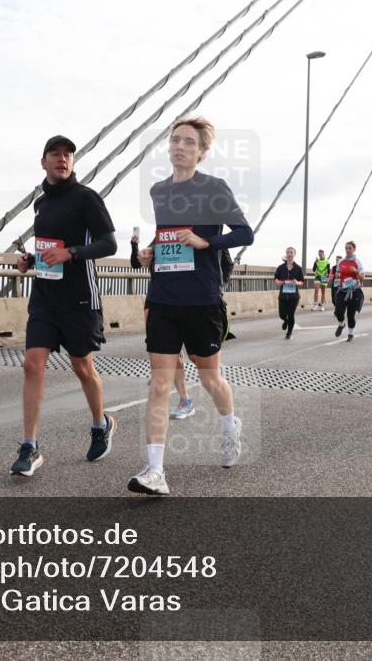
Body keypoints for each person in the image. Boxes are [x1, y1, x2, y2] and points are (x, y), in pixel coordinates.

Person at [130, 116, 254, 495]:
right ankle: (155, 472)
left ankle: (230, 425)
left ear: (201, 152)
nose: (179, 147)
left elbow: (244, 232)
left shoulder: (214, 188)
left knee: (209, 378)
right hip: (164, 297)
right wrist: (147, 254)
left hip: (202, 299)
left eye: (187, 142)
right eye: (174, 141)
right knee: (160, 384)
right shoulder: (158, 191)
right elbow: (165, 235)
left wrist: (205, 243)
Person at [10, 135, 119, 477]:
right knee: (32, 365)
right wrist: (31, 259)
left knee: (82, 367)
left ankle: (101, 424)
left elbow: (108, 244)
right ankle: (30, 446)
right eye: (55, 154)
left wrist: (70, 253)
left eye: (68, 155)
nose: (62, 159)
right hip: (45, 296)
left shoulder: (86, 198)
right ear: (43, 162)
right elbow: (48, 246)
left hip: (79, 298)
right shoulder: (40, 204)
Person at [132, 233, 195, 419]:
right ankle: (182, 400)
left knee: (194, 360)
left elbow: (222, 262)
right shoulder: (161, 236)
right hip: (156, 299)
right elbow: (137, 263)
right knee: (156, 350)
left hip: (185, 300)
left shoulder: (196, 231)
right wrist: (137, 250)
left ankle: (185, 398)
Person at [333, 242, 365, 342]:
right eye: (346, 248)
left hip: (354, 291)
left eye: (349, 248)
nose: (347, 250)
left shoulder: (358, 262)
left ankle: (351, 333)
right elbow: (336, 275)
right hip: (342, 290)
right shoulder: (341, 261)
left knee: (350, 315)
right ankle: (341, 324)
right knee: (338, 311)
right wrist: (337, 276)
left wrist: (356, 271)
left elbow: (362, 278)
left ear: (354, 249)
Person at [274, 246, 305, 340]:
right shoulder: (281, 267)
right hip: (283, 295)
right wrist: (278, 282)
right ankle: (286, 321)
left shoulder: (298, 268)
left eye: (291, 252)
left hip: (294, 296)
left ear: (294, 254)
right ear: (286, 254)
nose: (289, 254)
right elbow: (275, 278)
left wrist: (297, 283)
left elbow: (302, 282)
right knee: (282, 315)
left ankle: (289, 333)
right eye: (288, 252)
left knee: (291, 314)